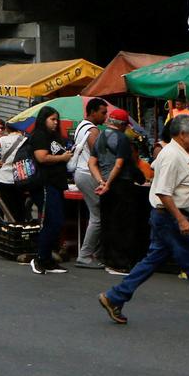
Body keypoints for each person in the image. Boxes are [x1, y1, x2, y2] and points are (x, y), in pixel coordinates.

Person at [99, 114, 189, 332]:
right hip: (171, 217)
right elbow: (164, 192)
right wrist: (181, 219)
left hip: (168, 217)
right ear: (182, 135)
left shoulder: (178, 153)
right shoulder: (173, 156)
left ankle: (115, 296)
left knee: (152, 260)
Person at [95, 108, 147, 274]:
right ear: (124, 125)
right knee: (123, 223)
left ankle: (108, 259)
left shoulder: (99, 137)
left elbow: (91, 162)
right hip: (121, 185)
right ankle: (120, 262)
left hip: (105, 184)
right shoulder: (122, 139)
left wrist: (101, 182)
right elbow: (121, 164)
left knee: (108, 222)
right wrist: (109, 182)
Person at [27, 105, 73, 275]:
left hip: (57, 183)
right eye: (52, 119)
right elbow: (41, 157)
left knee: (56, 221)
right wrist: (63, 157)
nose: (55, 123)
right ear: (43, 119)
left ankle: (46, 259)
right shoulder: (39, 135)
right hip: (45, 184)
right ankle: (40, 258)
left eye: (56, 120)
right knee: (53, 221)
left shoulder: (55, 136)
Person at [70, 98, 110, 269]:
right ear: (92, 112)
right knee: (98, 217)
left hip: (81, 173)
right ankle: (85, 255)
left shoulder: (80, 126)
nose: (105, 116)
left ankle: (95, 253)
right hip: (88, 174)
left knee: (97, 215)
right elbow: (99, 155)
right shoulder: (92, 131)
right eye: (103, 113)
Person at [0, 119, 31, 224]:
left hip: (6, 178)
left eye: (2, 128)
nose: (0, 130)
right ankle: (3, 231)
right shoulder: (23, 139)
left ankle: (13, 230)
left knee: (13, 209)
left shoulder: (6, 140)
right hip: (1, 177)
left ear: (7, 129)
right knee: (4, 208)